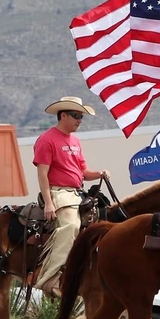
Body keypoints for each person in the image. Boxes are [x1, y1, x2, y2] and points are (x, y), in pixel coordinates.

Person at [33, 96, 110, 299]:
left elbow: (83, 171)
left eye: (82, 116)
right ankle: (49, 279)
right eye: (76, 116)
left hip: (77, 192)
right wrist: (48, 202)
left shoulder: (75, 141)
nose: (79, 120)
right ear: (63, 115)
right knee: (71, 226)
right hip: (59, 192)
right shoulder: (47, 139)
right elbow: (42, 173)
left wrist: (100, 173)